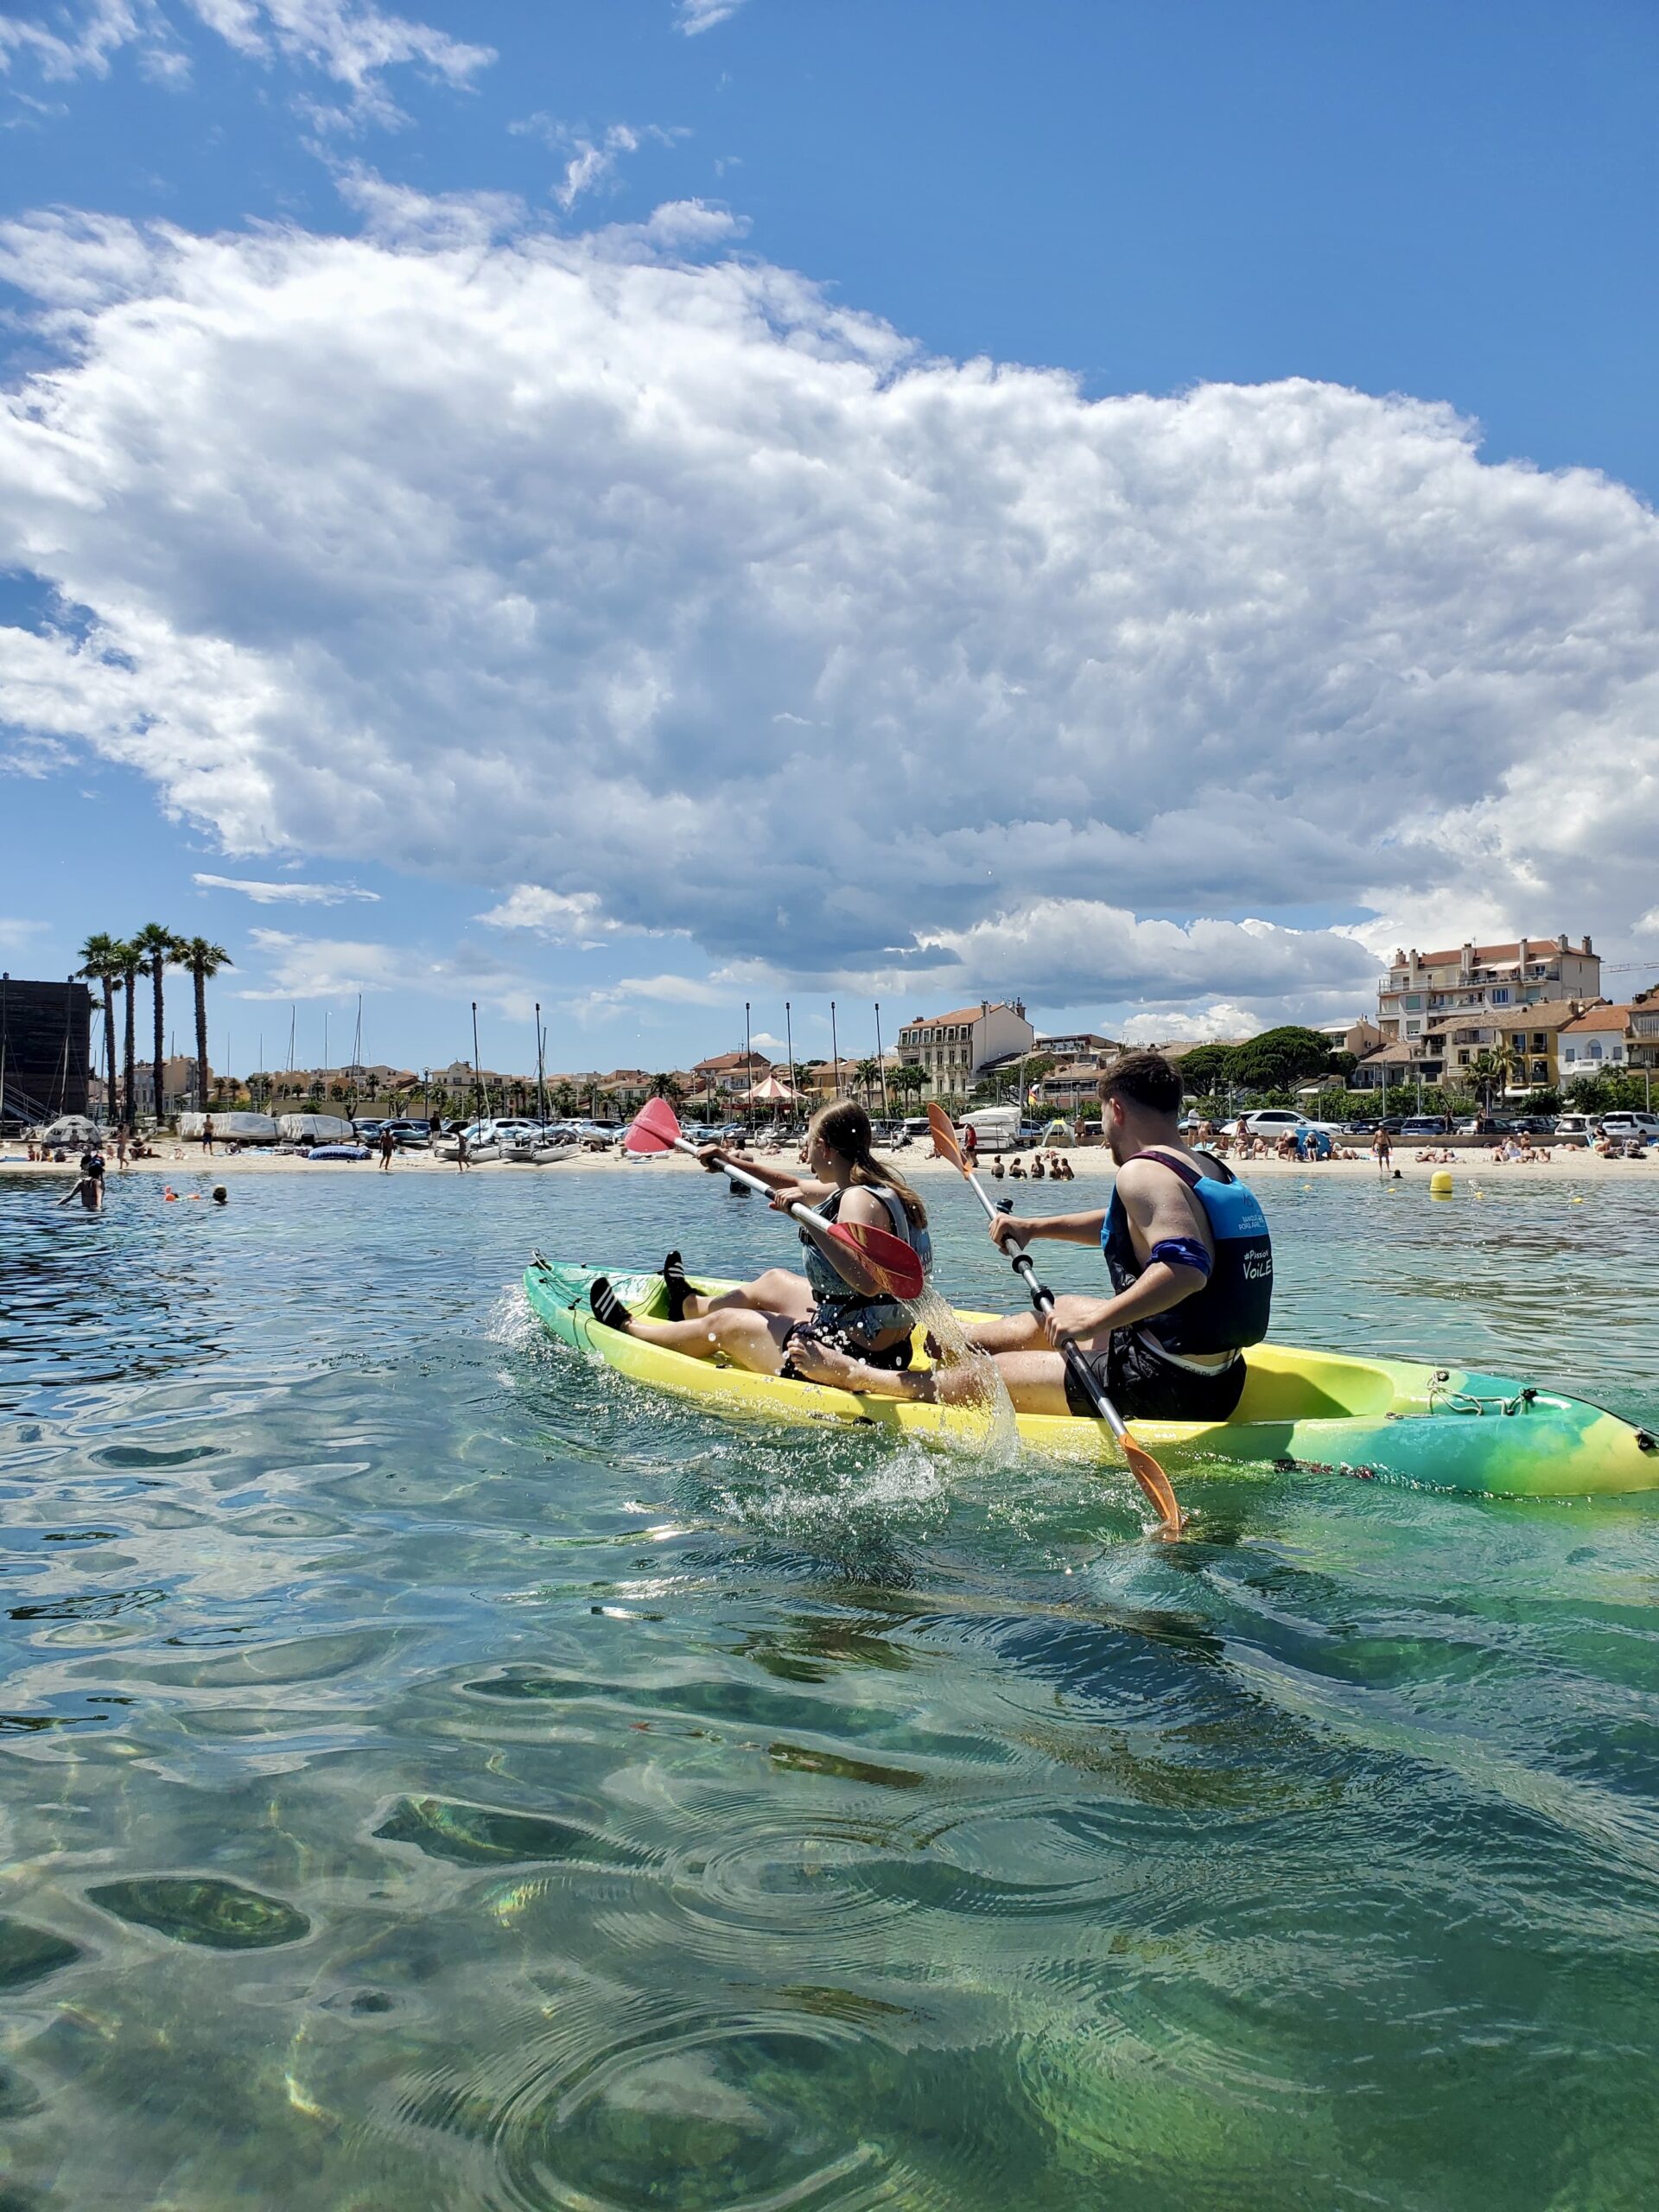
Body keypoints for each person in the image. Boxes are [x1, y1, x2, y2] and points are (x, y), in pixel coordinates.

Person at [789, 1052, 1273, 1426]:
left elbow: (1185, 1269)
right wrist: (1036, 1228)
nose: (1104, 1134)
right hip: (1220, 1377)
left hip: (1163, 1387)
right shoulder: (1204, 1166)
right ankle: (952, 1343)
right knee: (1049, 1313)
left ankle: (861, 1375)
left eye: (1102, 1116)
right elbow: (1130, 1222)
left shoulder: (1141, 1171)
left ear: (1117, 1109)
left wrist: (1094, 1325)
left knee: (987, 1383)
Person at [586, 1100, 931, 1386]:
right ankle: (687, 1305)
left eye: (808, 1144)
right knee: (774, 1282)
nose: (804, 1155)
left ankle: (630, 1328)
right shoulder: (879, 1186)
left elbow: (868, 1283)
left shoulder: (856, 1200)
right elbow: (793, 1183)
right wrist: (727, 1162)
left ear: (824, 1148)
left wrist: (810, 1226)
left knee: (727, 1326)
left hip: (847, 1354)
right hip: (875, 1336)